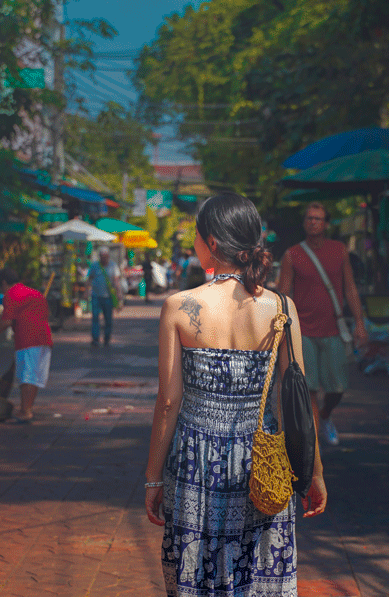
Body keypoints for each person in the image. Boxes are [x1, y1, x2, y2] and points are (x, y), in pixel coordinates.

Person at [145, 192, 326, 596]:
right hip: (261, 460)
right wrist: (314, 471)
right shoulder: (281, 307)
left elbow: (169, 401)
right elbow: (296, 400)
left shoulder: (179, 306)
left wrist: (152, 478)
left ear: (212, 242)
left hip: (195, 462)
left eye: (195, 234)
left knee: (198, 575)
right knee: (255, 575)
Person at [277, 202, 368, 446]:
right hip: (303, 330)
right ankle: (314, 441)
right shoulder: (292, 254)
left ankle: (326, 416)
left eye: (318, 218)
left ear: (326, 224)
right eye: (309, 218)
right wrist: (281, 327)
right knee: (309, 388)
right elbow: (284, 293)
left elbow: (350, 287)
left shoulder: (339, 251)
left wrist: (359, 322)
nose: (313, 222)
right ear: (304, 223)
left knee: (337, 388)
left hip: (333, 329)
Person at [0, 268, 51, 423]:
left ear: (4, 283)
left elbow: (6, 321)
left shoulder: (12, 294)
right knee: (34, 377)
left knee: (26, 377)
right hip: (44, 339)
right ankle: (27, 409)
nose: (1, 290)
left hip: (27, 339)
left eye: (0, 286)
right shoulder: (34, 293)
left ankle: (26, 411)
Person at [86, 246, 122, 346]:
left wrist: (118, 293)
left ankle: (107, 337)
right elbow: (89, 279)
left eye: (105, 256)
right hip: (96, 296)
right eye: (102, 256)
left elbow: (116, 281)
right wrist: (86, 291)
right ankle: (95, 338)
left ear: (108, 256)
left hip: (108, 297)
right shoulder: (94, 266)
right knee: (95, 318)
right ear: (100, 257)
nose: (104, 258)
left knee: (108, 319)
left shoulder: (113, 266)